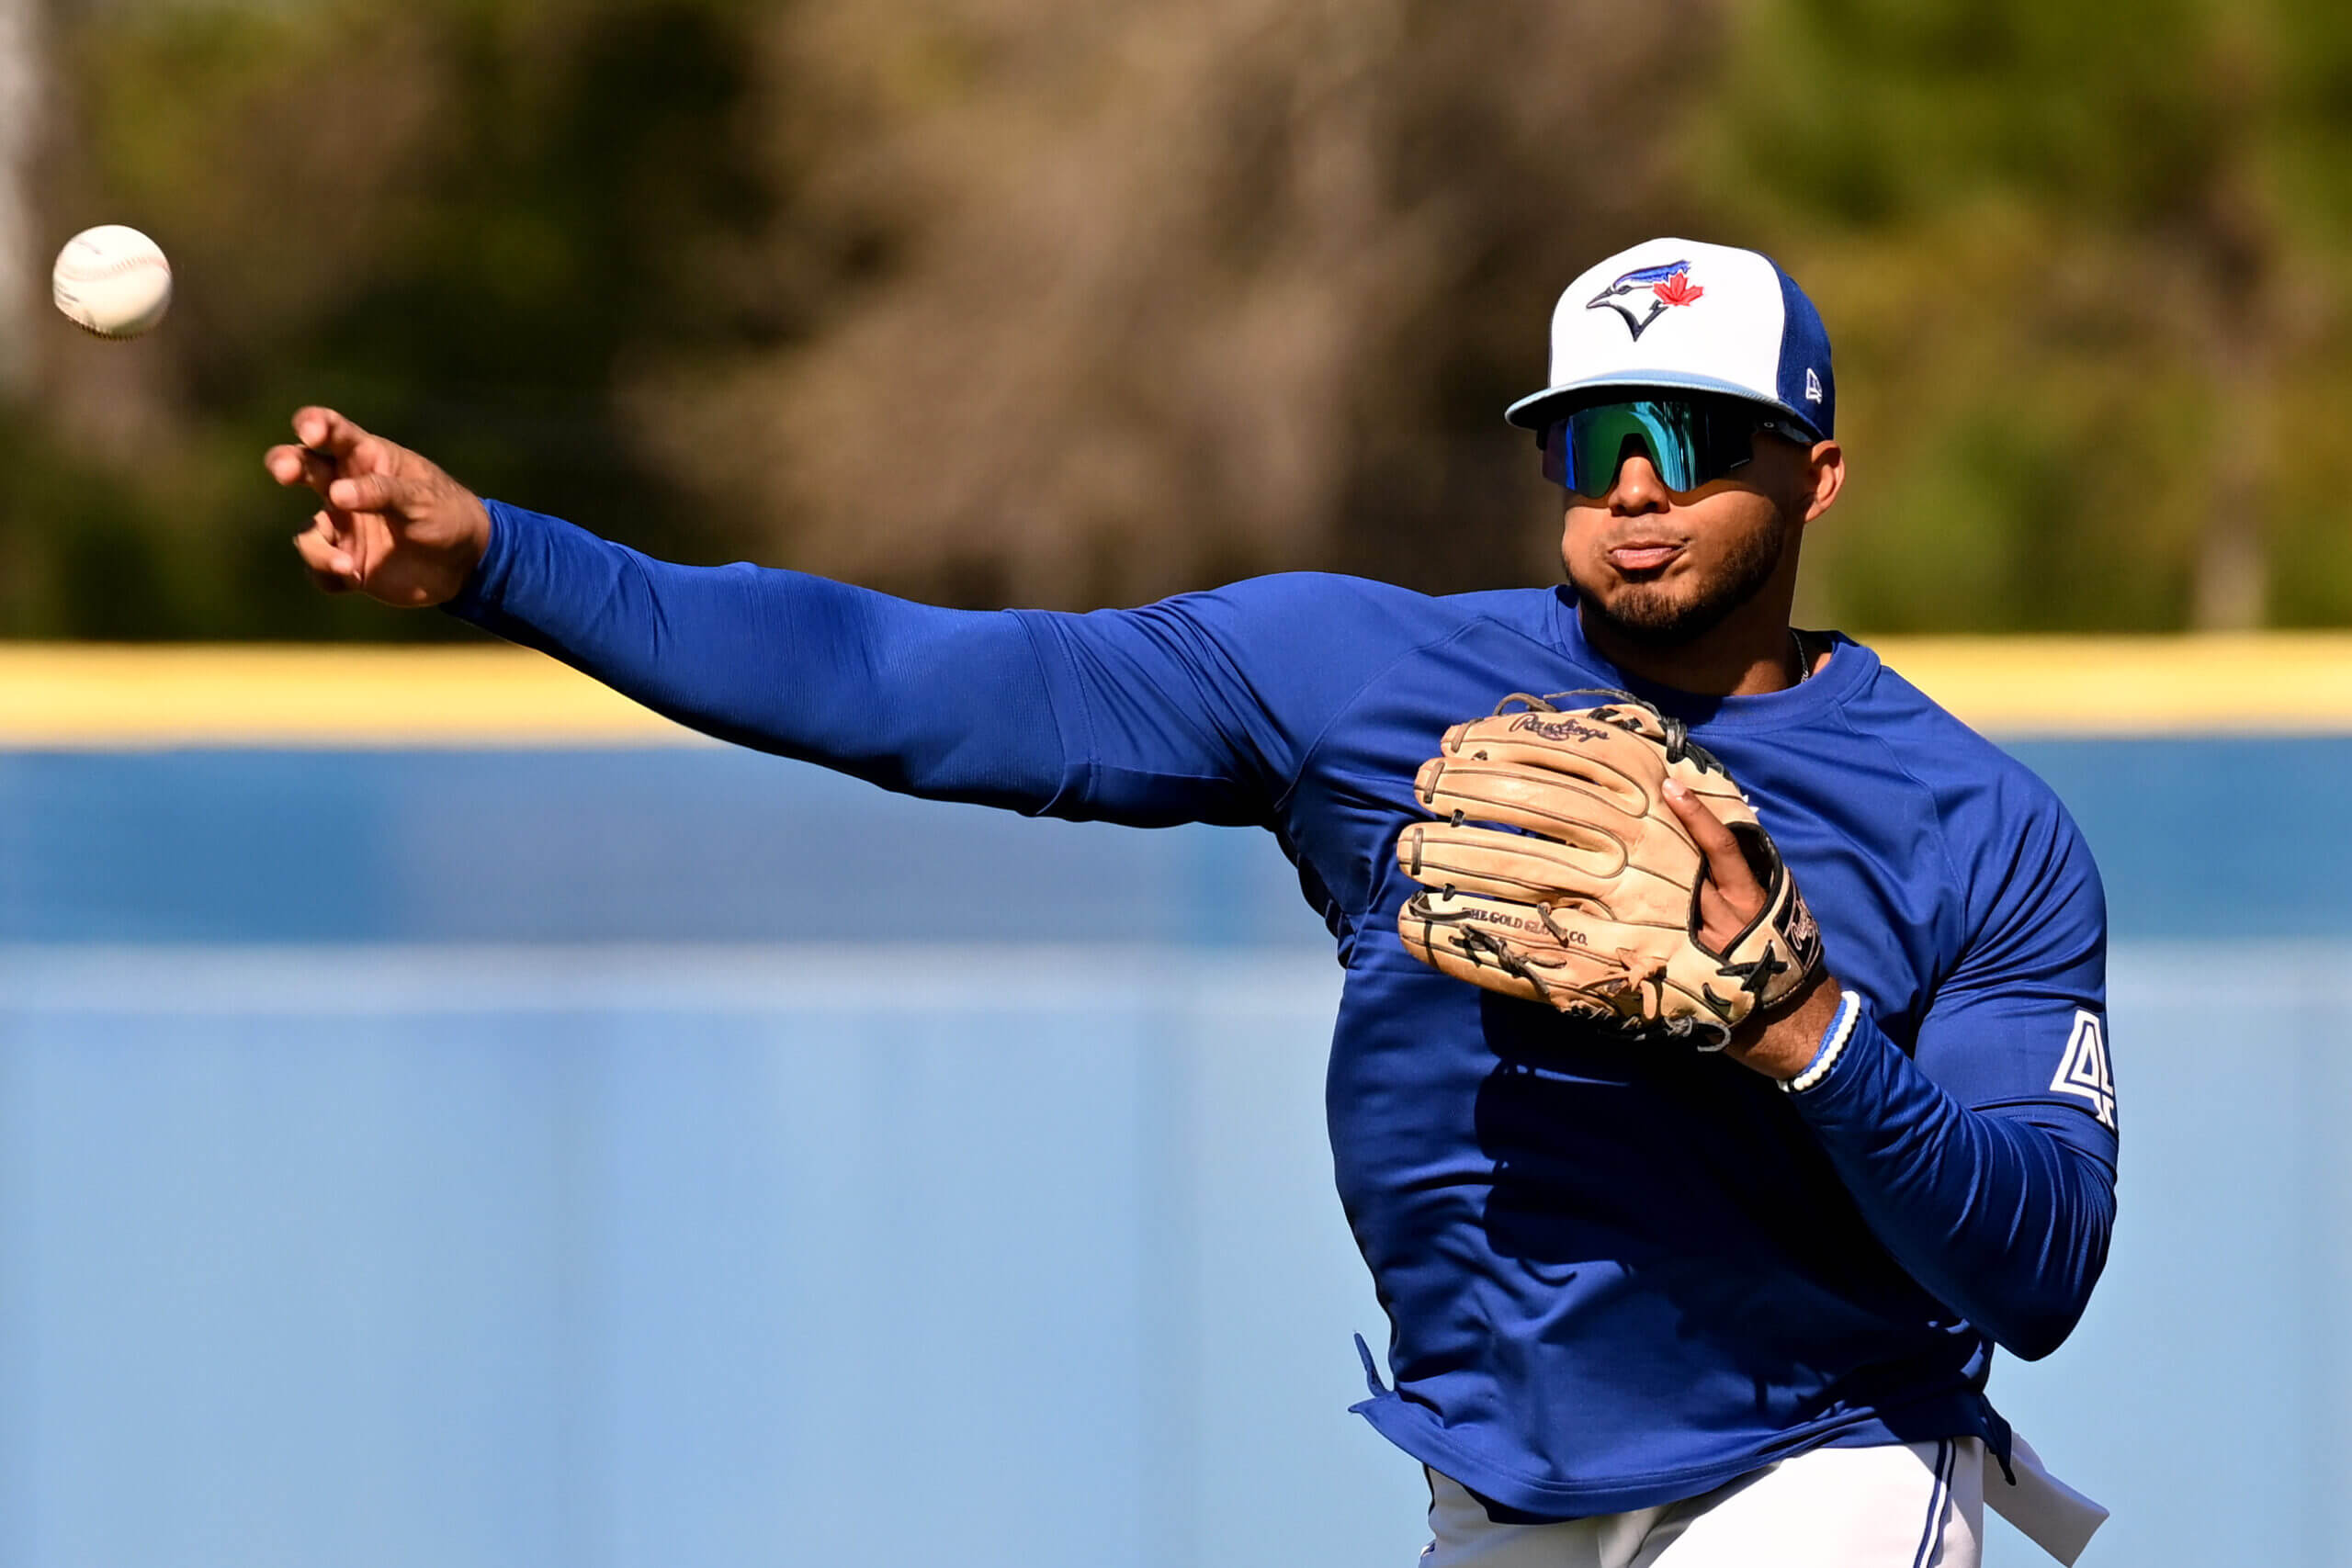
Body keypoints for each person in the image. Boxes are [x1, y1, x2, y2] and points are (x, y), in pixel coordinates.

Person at [268, 238, 2117, 1567]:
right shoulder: (1356, 679)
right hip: (1497, 1492)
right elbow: (903, 679)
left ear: (1813, 471)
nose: (1632, 483)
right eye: (1589, 434)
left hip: (1818, 1469)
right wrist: (507, 557)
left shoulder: (1977, 822)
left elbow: (2035, 1260)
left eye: (1693, 436)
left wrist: (1803, 1030)